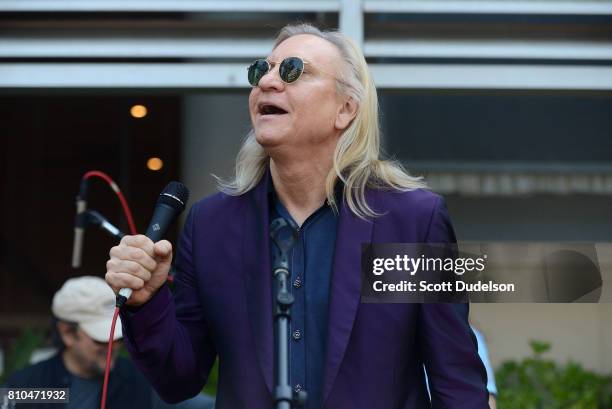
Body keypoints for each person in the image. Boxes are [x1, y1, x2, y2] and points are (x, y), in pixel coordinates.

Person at [105, 23, 489, 409]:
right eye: (261, 70)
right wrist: (147, 301)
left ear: (346, 109)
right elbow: (178, 380)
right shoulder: (212, 226)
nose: (268, 81)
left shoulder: (408, 222)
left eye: (293, 70)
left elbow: (456, 382)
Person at [2, 276, 214, 409]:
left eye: (118, 338)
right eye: (100, 339)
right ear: (67, 333)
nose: (112, 347)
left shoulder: (139, 382)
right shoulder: (27, 386)